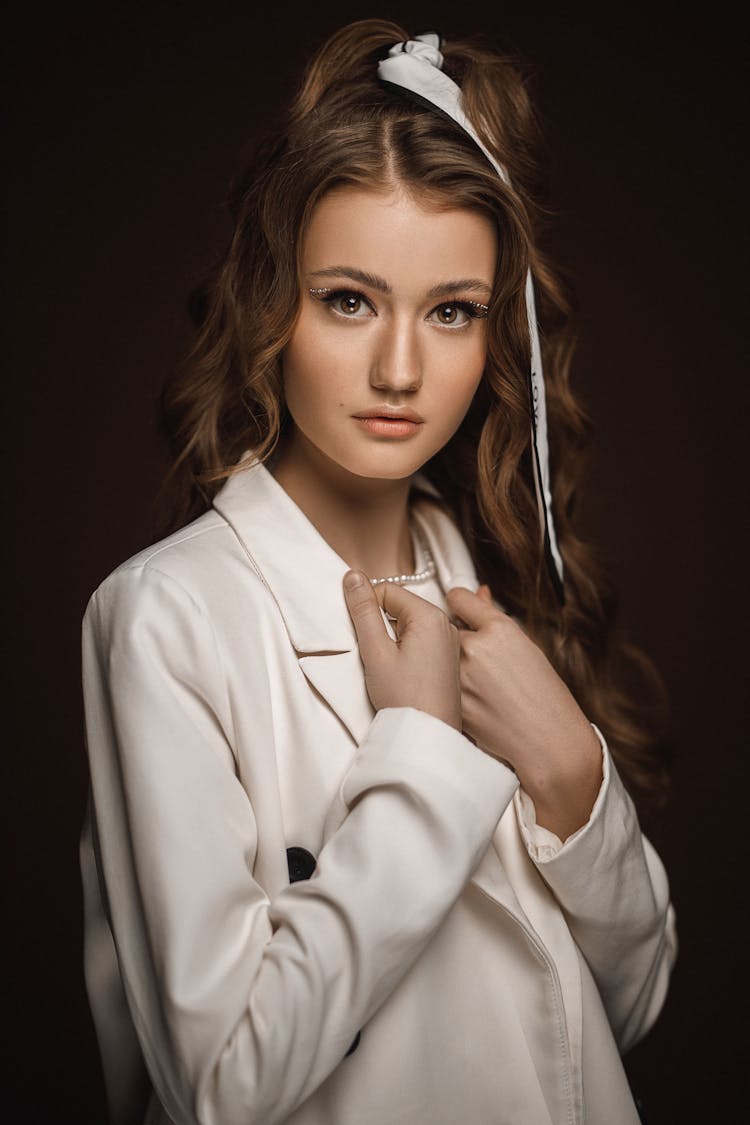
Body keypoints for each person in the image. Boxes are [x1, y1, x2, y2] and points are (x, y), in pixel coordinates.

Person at [79, 17, 677, 1125]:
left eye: (452, 313)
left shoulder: (479, 569)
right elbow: (222, 1087)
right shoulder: (170, 615)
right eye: (349, 300)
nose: (401, 370)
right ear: (272, 307)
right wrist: (418, 759)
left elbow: (630, 1004)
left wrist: (573, 777)